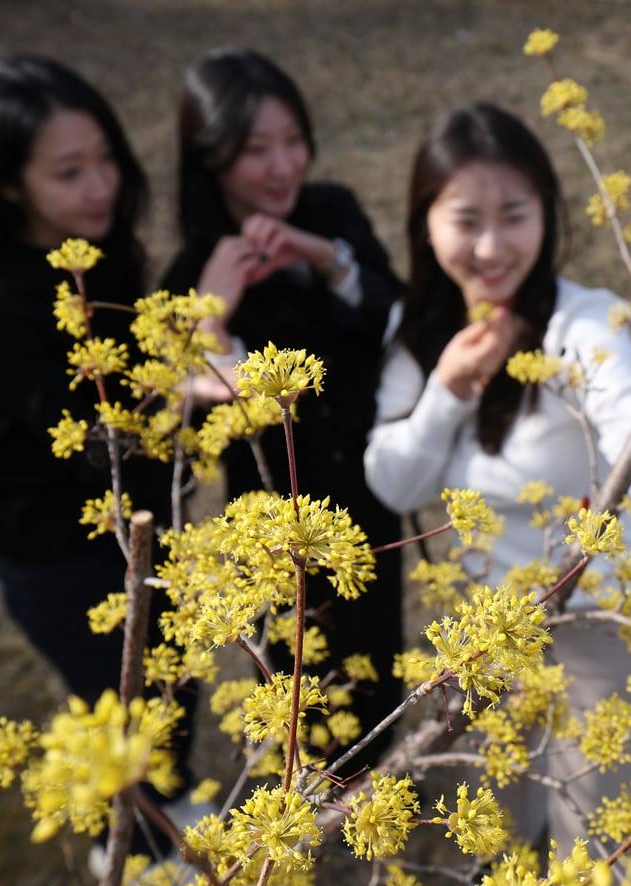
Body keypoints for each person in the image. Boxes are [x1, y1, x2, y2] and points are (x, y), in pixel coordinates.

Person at [364, 103, 631, 853]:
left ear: (547, 214)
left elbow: (629, 425)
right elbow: (394, 486)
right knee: (500, 807)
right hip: (491, 623)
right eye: (465, 219)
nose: (492, 245)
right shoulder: (413, 332)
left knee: (595, 835)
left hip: (602, 617)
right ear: (424, 222)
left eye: (515, 215)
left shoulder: (586, 323)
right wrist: (447, 388)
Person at [0, 56, 198, 863]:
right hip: (59, 552)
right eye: (70, 171)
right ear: (7, 184)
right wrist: (190, 380)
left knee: (172, 691)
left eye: (106, 159)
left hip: (150, 527)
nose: (101, 186)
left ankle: (170, 821)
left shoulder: (98, 252)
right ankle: (124, 862)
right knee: (120, 711)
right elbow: (93, 439)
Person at [160, 48, 405, 765]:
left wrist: (324, 257)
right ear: (209, 160)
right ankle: (310, 789)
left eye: (292, 141)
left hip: (365, 493)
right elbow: (201, 429)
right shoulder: (193, 273)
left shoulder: (332, 213)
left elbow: (392, 313)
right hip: (273, 524)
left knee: (377, 644)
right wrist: (210, 318)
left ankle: (380, 771)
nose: (282, 167)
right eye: (255, 151)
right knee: (296, 665)